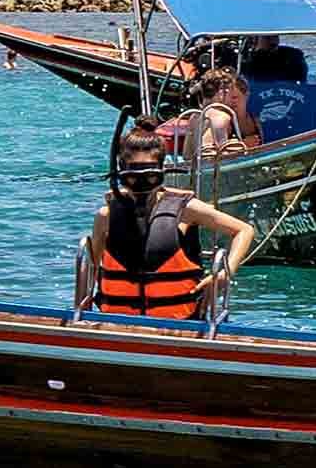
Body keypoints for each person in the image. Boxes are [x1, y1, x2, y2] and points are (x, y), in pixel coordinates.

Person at [79, 127, 256, 322]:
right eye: (133, 175)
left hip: (180, 324)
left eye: (149, 176)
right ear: (122, 172)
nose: (141, 183)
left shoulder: (186, 210)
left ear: (161, 171)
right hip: (117, 324)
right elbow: (93, 268)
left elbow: (244, 230)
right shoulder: (106, 216)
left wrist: (225, 272)